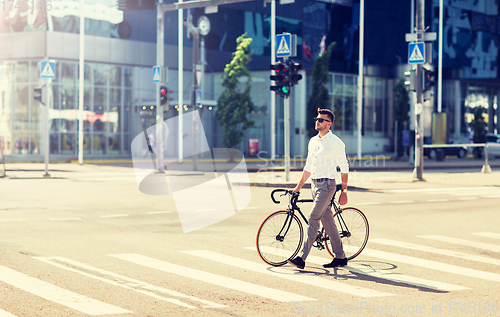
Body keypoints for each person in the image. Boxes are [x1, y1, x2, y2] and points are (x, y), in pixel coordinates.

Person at [287, 108, 349, 269]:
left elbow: (344, 167)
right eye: (317, 118)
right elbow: (308, 166)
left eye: (321, 120)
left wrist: (344, 191)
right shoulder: (313, 141)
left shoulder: (336, 142)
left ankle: (302, 257)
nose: (317, 121)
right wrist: (298, 187)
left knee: (313, 217)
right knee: (327, 221)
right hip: (314, 185)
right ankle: (340, 257)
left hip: (328, 186)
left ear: (329, 124)